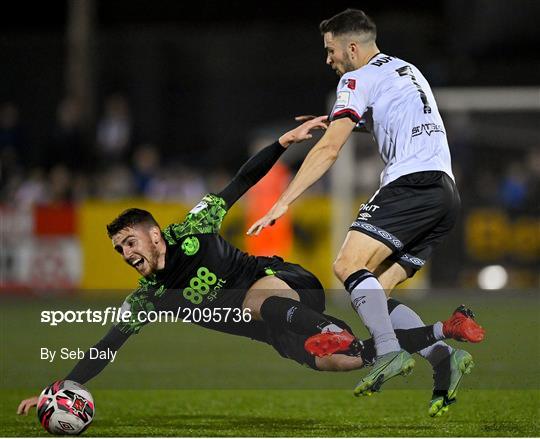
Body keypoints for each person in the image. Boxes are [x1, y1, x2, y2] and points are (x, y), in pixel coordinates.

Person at [17, 117, 483, 417]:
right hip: (278, 331)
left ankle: (333, 329)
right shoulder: (148, 299)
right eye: (120, 249)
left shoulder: (195, 227)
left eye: (130, 241)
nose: (127, 253)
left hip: (287, 285)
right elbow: (106, 346)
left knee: (255, 300)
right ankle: (446, 331)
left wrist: (283, 142)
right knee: (346, 360)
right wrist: (61, 387)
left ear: (155, 235)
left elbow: (241, 180)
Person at [247, 9, 463, 413]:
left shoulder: (356, 78)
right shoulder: (405, 69)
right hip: (445, 194)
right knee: (375, 294)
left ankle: (386, 354)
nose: (328, 60)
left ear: (351, 47)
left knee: (347, 264)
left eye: (330, 51)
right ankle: (443, 359)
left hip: (411, 185)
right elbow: (392, 116)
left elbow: (329, 149)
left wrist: (283, 200)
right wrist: (334, 120)